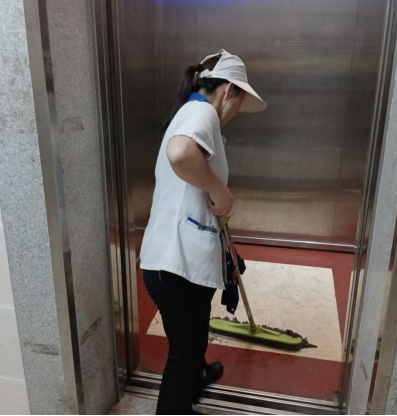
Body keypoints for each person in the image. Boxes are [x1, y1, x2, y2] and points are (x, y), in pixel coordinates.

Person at [140, 49, 266, 415]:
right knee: (186, 348)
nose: (236, 114)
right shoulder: (202, 112)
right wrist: (220, 191)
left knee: (192, 335)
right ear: (230, 91)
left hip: (174, 261)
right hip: (175, 264)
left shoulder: (192, 112)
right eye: (239, 104)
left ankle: (197, 377)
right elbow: (181, 153)